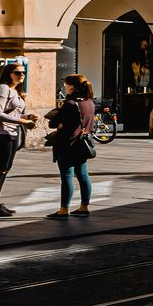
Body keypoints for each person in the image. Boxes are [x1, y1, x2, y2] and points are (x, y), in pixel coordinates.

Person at [0, 56, 36, 217]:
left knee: (4, 169)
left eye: (23, 73)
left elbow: (13, 113)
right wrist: (23, 121)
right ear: (8, 74)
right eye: (17, 73)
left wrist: (27, 116)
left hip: (10, 132)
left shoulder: (14, 91)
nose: (22, 75)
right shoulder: (2, 89)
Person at [47, 73, 97, 218]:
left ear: (72, 87)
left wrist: (60, 122)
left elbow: (53, 123)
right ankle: (84, 207)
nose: (65, 87)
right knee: (83, 176)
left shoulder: (70, 104)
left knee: (67, 176)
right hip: (82, 143)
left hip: (67, 143)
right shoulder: (89, 102)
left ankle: (63, 210)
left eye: (66, 85)